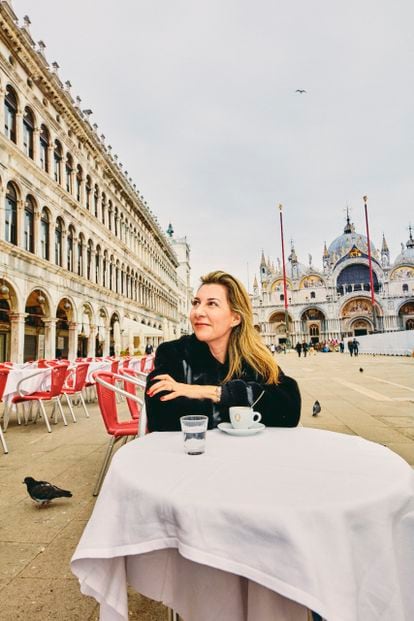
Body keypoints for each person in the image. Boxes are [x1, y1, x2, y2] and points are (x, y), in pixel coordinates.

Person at [146, 271, 301, 431]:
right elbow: (161, 416)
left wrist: (213, 393)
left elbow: (289, 408)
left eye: (212, 304)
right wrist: (245, 404)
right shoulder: (173, 352)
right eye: (196, 303)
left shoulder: (252, 358)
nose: (198, 312)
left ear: (235, 318)